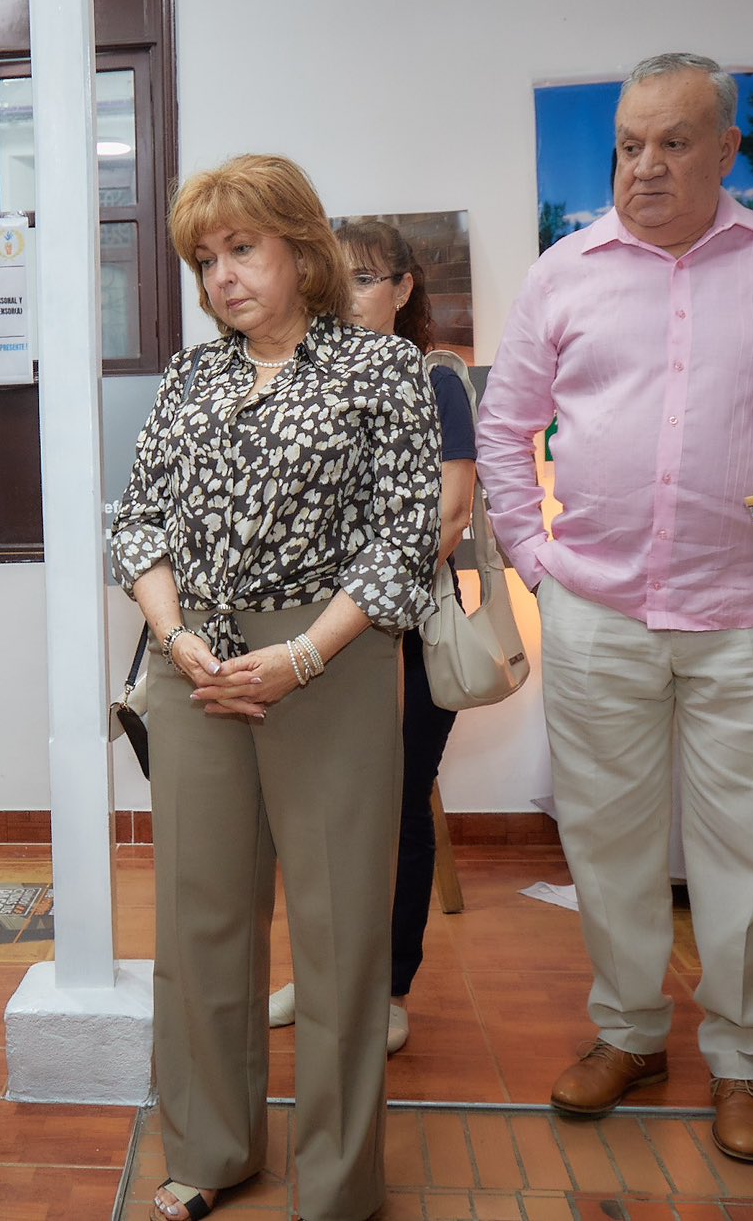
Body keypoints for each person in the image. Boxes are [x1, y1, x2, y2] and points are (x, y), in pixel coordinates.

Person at [476, 53, 753, 1166]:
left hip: (746, 611)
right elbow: (502, 425)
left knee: (742, 848)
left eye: (672, 142)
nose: (644, 164)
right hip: (596, 609)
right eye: (627, 143)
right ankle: (627, 1034)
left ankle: (738, 1057)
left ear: (725, 151)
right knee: (607, 842)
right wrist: (533, 556)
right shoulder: (562, 272)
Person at [110, 154, 440, 1221]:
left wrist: (301, 655)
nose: (221, 277)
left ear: (301, 249)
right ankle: (209, 1150)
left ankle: (338, 1184)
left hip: (328, 668)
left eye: (240, 249)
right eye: (204, 260)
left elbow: (401, 544)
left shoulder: (384, 371)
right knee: (200, 919)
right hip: (194, 669)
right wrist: (177, 639)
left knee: (340, 935)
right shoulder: (189, 376)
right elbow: (137, 525)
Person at [265, 220, 477, 1057]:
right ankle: (321, 976)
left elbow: (450, 517)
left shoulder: (436, 381)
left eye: (364, 279)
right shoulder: (306, 383)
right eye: (334, 278)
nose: (346, 296)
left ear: (403, 289)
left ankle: (387, 988)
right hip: (316, 637)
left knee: (397, 806)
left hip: (406, 631)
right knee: (318, 813)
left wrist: (354, 592)